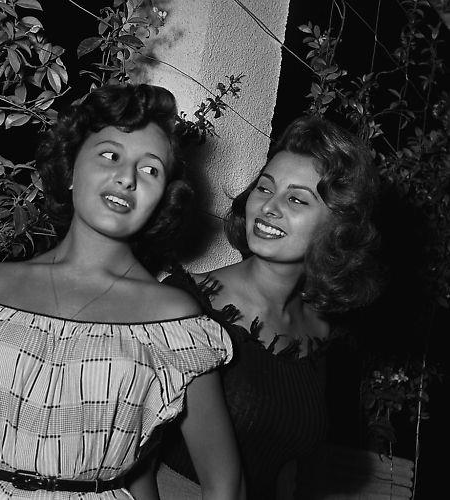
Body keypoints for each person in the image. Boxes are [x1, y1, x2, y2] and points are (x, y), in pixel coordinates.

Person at [0, 83, 244, 499]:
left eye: (151, 170)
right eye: (110, 155)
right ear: (71, 169)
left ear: (162, 199)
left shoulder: (176, 322)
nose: (127, 178)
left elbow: (225, 484)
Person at [157, 115, 381, 499]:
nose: (268, 207)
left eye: (296, 199)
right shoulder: (184, 305)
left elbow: (289, 467)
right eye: (264, 187)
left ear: (339, 228)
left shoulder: (321, 334)